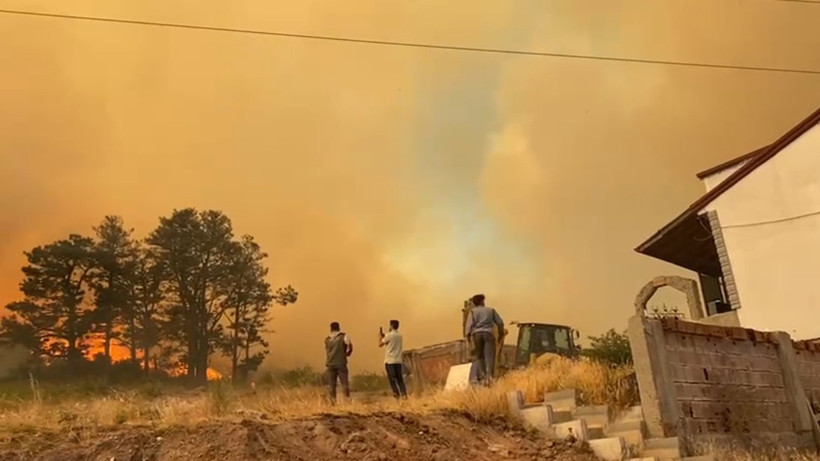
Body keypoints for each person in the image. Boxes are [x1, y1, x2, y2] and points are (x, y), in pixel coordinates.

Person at [464, 294, 504, 385]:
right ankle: (489, 378)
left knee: (479, 356)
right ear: (482, 301)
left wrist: (468, 337)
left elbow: (468, 326)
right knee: (489, 356)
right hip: (488, 334)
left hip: (476, 335)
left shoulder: (472, 312)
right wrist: (501, 334)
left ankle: (481, 377)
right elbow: (500, 323)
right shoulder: (491, 310)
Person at [325, 321, 353, 404]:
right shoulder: (344, 336)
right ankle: (346, 401)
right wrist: (348, 353)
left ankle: (332, 402)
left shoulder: (327, 339)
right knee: (344, 383)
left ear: (330, 329)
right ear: (339, 328)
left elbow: (327, 351)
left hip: (330, 364)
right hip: (341, 363)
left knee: (331, 385)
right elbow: (350, 346)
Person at [379, 319, 407, 400]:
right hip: (398, 360)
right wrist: (385, 337)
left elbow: (380, 344)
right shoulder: (400, 336)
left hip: (390, 361)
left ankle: (396, 395)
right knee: (400, 379)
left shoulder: (389, 335)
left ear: (391, 326)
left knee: (392, 379)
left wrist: (380, 337)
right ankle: (404, 394)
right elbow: (391, 342)